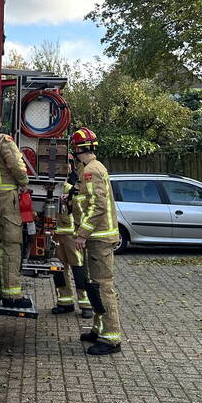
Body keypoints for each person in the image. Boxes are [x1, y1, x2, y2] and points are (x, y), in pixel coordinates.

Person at [70, 127, 123, 355]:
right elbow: (87, 198)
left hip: (98, 239)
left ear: (76, 149)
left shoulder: (91, 171)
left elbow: (97, 206)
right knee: (94, 286)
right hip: (98, 239)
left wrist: (82, 233)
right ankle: (98, 329)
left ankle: (111, 339)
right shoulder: (90, 169)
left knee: (102, 287)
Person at [50, 156, 94, 318]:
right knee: (58, 269)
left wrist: (69, 201)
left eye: (68, 164)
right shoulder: (48, 188)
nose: (65, 167)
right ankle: (65, 301)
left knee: (78, 268)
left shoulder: (72, 189)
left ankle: (86, 304)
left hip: (71, 234)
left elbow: (83, 209)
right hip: (54, 235)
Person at [0, 131, 31, 309]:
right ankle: (11, 294)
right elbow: (17, 165)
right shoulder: (3, 140)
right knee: (11, 243)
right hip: (7, 198)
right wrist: (24, 182)